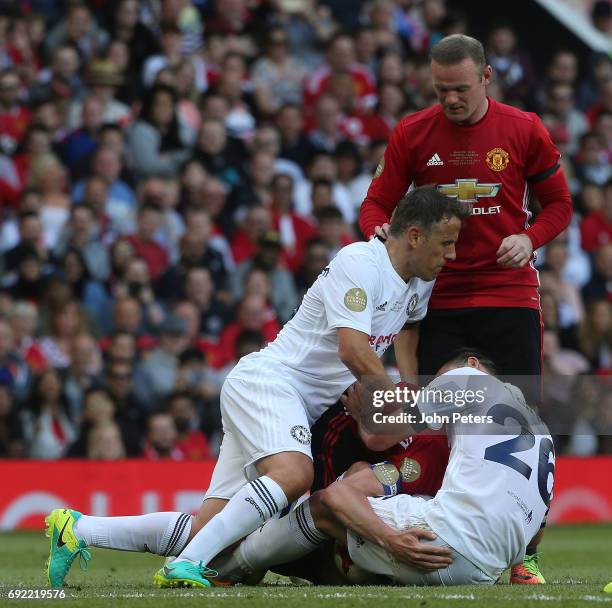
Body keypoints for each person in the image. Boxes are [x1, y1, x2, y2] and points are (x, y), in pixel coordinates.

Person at [43, 185, 468, 589]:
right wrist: (398, 403)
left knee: (211, 530)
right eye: (445, 243)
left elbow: (408, 330)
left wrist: (409, 386)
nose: (451, 255)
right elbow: (353, 350)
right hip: (271, 382)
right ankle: (185, 565)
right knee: (293, 474)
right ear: (414, 235)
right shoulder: (360, 263)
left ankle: (78, 528)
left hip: (293, 403)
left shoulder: (419, 283)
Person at [357, 35, 572, 583]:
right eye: (440, 89)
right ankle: (434, 535)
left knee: (521, 425)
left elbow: (560, 205)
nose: (450, 99)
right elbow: (377, 202)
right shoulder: (413, 132)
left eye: (459, 88)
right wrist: (378, 233)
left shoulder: (523, 129)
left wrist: (530, 237)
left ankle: (524, 556)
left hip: (508, 294)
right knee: (430, 426)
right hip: (438, 299)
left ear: (486, 77)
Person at [213, 350, 555, 587]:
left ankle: (233, 566)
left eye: (437, 381)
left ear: (471, 364)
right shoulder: (541, 433)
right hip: (488, 569)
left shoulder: (464, 381)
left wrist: (392, 541)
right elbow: (536, 528)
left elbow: (379, 436)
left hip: (442, 542)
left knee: (330, 503)